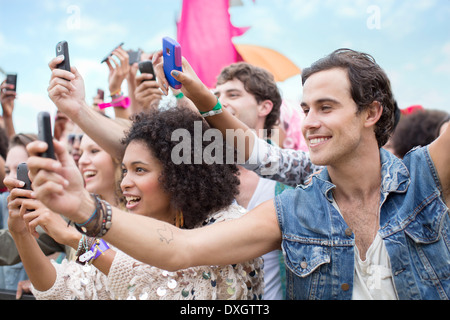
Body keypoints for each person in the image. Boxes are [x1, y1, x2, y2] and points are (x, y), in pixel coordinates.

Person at [28, 47, 450, 300]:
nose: (309, 123)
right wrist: (84, 209)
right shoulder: (294, 209)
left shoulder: (428, 175)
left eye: (326, 107)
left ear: (371, 113)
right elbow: (180, 248)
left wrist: (74, 237)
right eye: (305, 109)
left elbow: (249, 152)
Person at [9, 105, 264, 300]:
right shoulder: (136, 232)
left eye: (139, 170)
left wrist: (75, 237)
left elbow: (163, 288)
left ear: (182, 173)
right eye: (126, 170)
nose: (125, 183)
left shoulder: (230, 224)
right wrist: (21, 234)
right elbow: (64, 288)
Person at [213, 62, 288, 299]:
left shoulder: (291, 183)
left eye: (233, 94)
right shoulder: (199, 178)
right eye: (216, 95)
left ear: (264, 106)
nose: (220, 101)